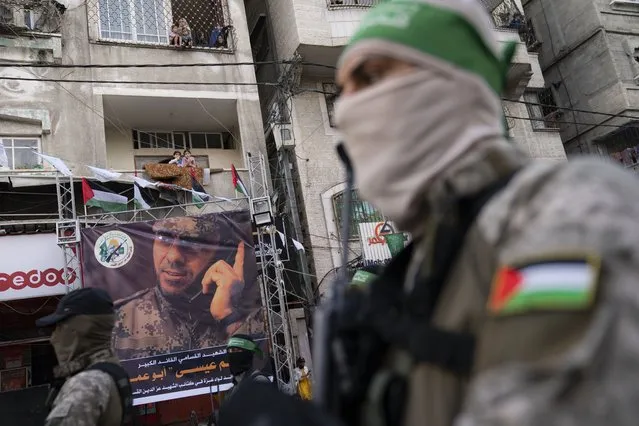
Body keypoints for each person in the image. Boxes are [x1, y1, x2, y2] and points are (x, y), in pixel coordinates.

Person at [326, 0, 639, 425]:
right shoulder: (422, 267)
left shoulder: (562, 210)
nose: (347, 111)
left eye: (372, 77)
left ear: (450, 85)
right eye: (342, 91)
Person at [113, 215, 265, 360]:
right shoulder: (119, 319)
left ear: (219, 253)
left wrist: (229, 317)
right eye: (164, 239)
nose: (174, 257)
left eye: (192, 244)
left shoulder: (256, 312)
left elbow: (259, 369)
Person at [36, 288, 132, 426]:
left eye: (59, 328)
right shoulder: (113, 369)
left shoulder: (85, 384)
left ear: (76, 331)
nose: (53, 338)